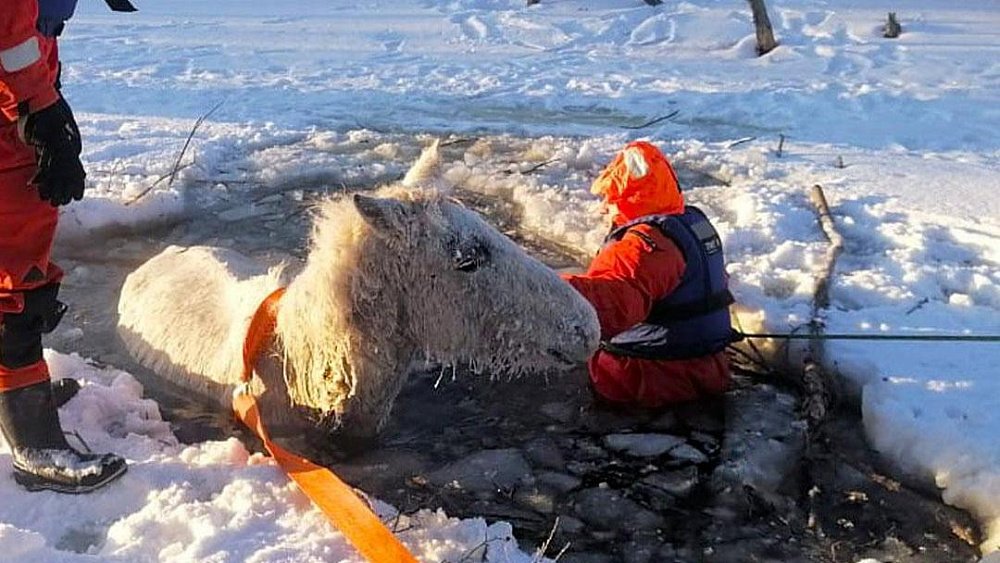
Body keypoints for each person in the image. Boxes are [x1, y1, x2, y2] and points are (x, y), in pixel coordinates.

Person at [0, 0, 127, 493]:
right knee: (16, 269)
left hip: (24, 67)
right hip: (12, 86)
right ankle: (34, 443)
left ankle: (17, 392)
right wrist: (41, 111)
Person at [562, 141, 734, 409]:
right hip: (709, 369)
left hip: (645, 379)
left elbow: (611, 307)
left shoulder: (643, 245)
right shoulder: (692, 226)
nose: (606, 207)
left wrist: (541, 288)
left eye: (611, 198)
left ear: (627, 198)